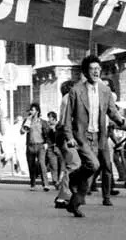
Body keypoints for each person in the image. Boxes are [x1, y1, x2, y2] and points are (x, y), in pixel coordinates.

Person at [63, 56, 126, 217]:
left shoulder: (105, 91)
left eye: (98, 69)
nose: (96, 71)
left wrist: (123, 122)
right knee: (93, 165)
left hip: (98, 136)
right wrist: (69, 136)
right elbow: (68, 117)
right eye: (92, 68)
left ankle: (74, 204)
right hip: (82, 136)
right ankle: (73, 177)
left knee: (89, 176)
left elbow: (112, 111)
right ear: (86, 71)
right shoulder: (76, 90)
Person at [54, 80, 80, 209]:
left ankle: (66, 193)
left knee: (74, 164)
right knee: (74, 165)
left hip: (64, 134)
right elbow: (67, 120)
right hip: (66, 135)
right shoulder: (68, 98)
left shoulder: (67, 98)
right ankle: (63, 197)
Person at [21, 103, 50, 192]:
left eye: (32, 110)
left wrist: (46, 143)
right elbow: (22, 132)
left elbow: (47, 134)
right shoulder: (27, 120)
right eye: (30, 110)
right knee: (31, 165)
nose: (31, 111)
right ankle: (33, 183)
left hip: (40, 145)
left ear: (37, 111)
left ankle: (45, 184)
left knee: (42, 164)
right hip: (30, 145)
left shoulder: (42, 122)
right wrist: (27, 122)